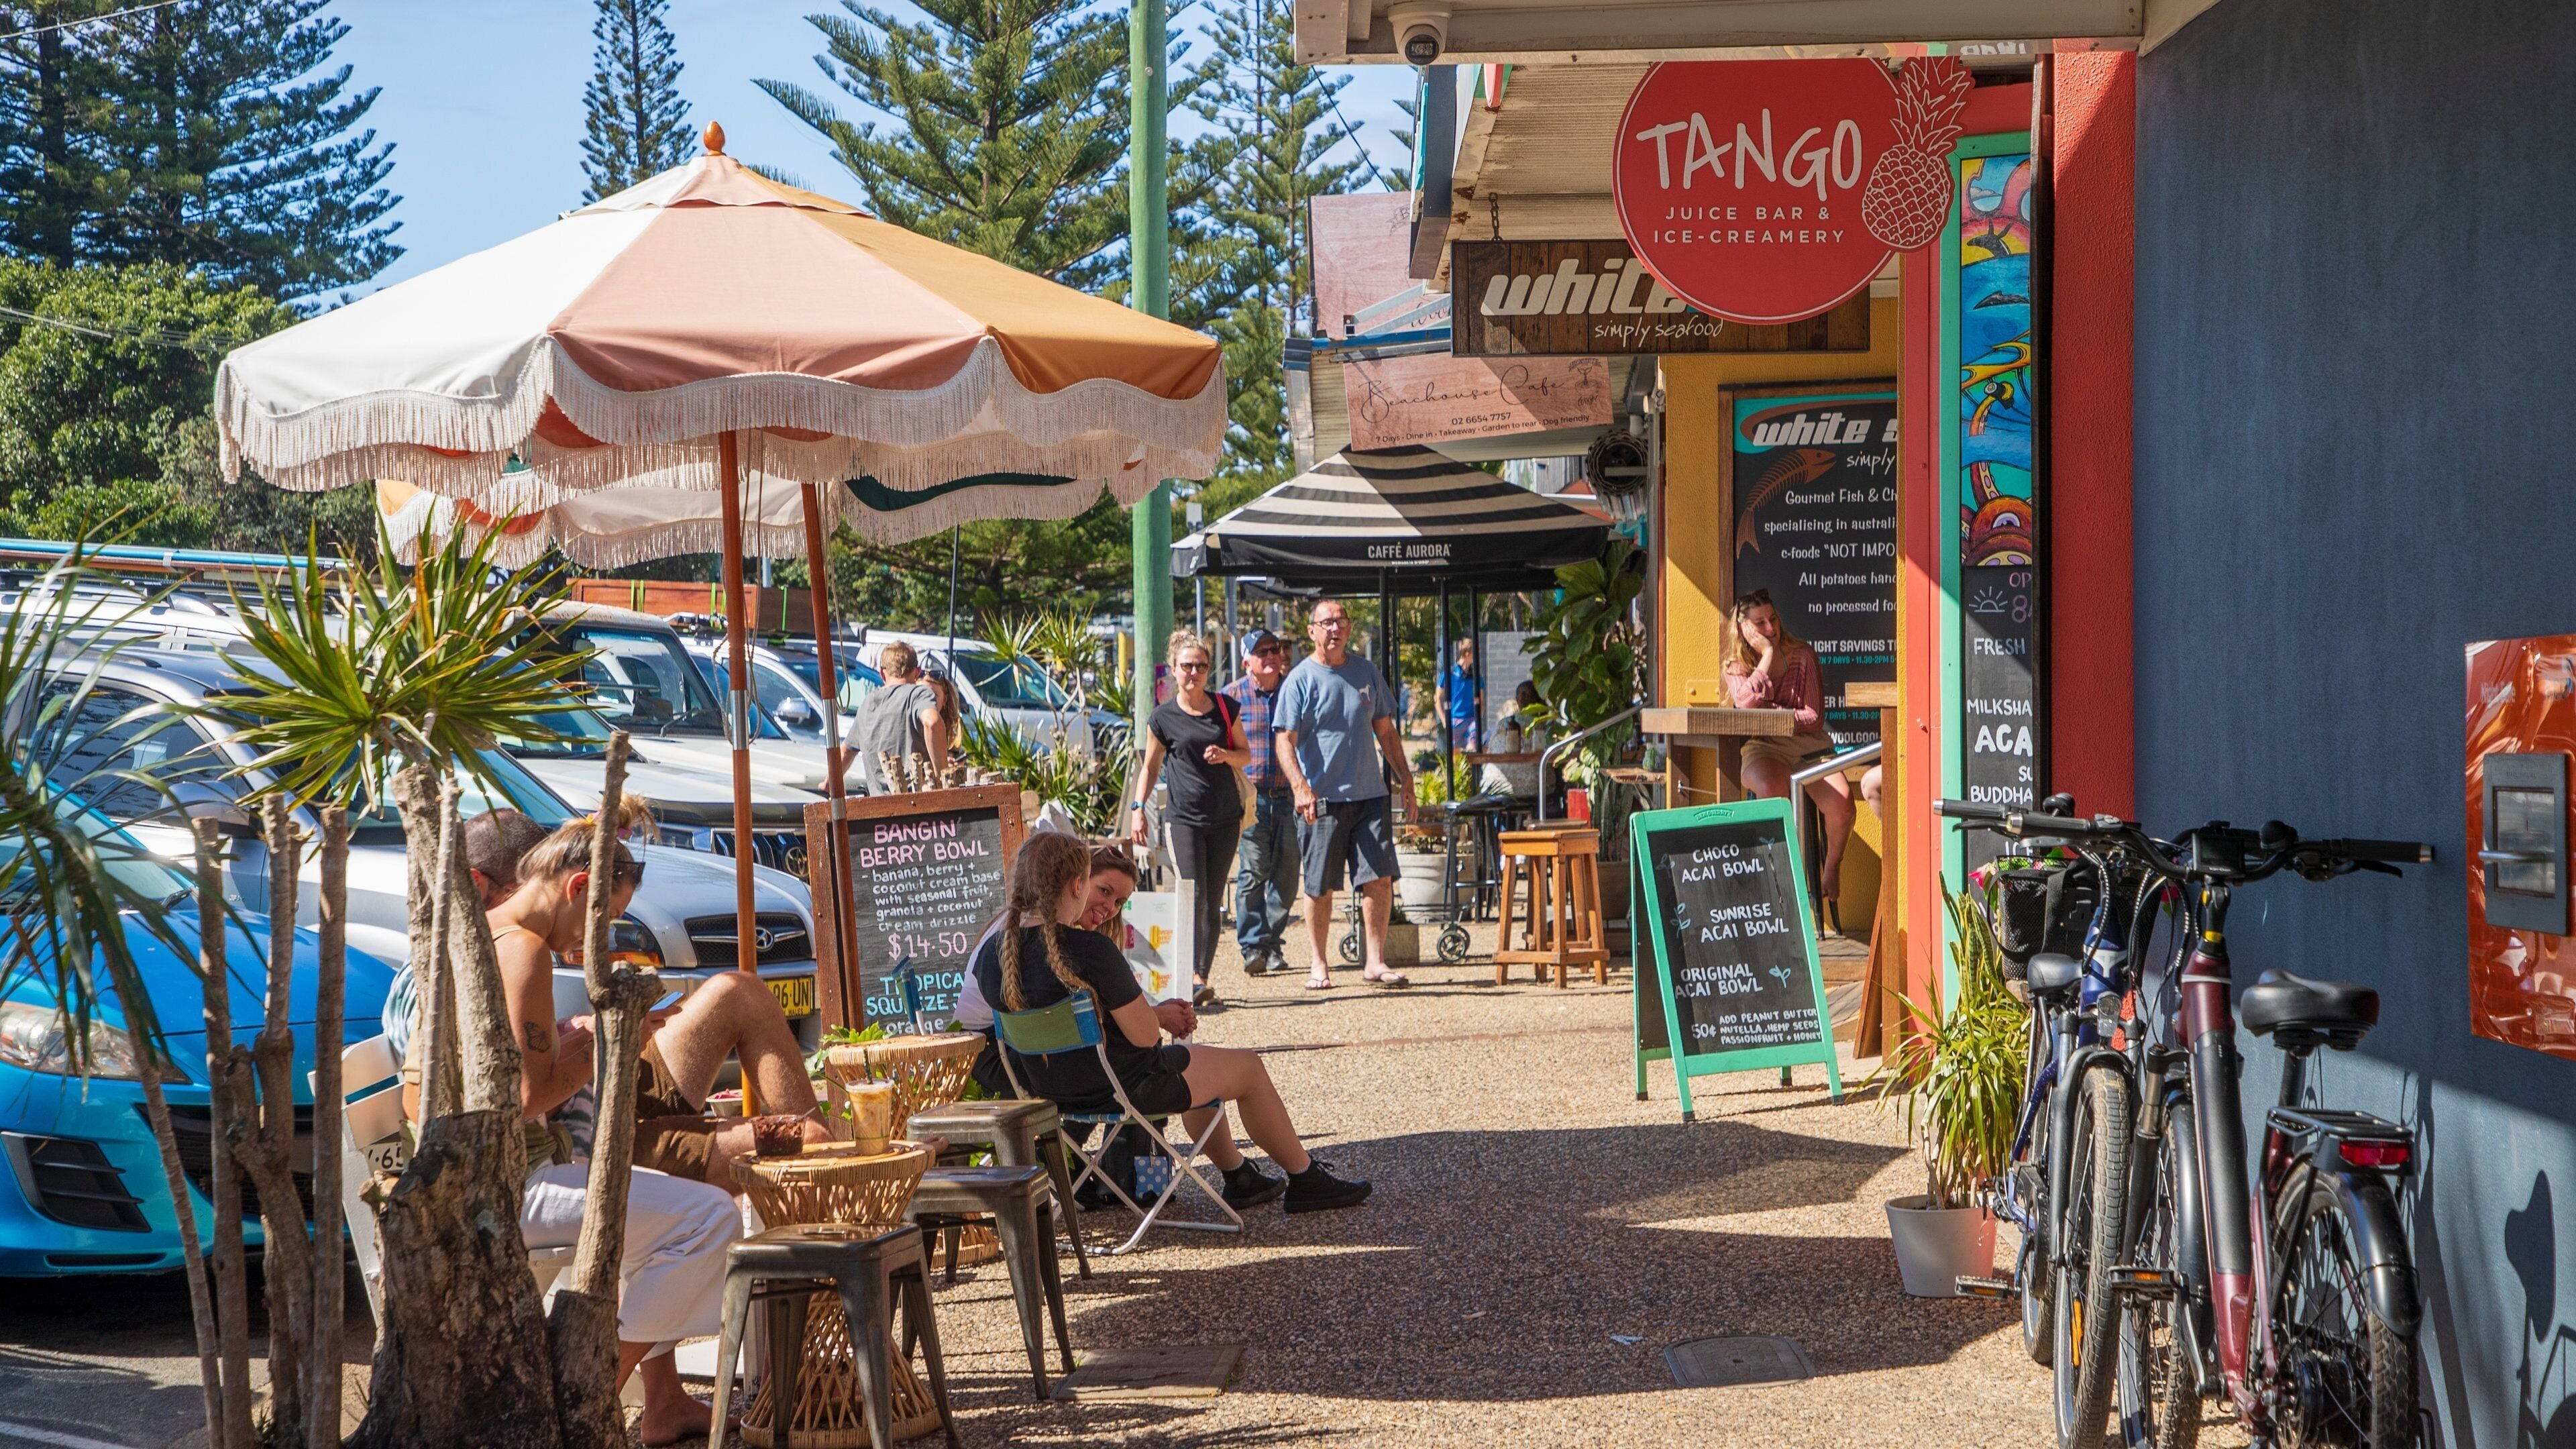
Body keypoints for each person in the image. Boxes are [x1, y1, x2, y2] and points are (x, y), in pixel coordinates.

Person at [440, 814, 741, 1447]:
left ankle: (642, 1397)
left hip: (475, 1177)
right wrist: (608, 1045)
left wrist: (578, 1043)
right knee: (710, 1217)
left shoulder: (480, 934)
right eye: (603, 921)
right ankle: (583, 1391)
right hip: (510, 1184)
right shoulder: (524, 948)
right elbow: (528, 1096)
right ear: (578, 887)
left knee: (667, 1219)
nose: (594, 941)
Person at [977, 832, 1371, 1214]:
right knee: (1247, 1067)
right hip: (1127, 1090)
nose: (1112, 906)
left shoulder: (994, 956)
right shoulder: (1092, 950)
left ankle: (1239, 1176)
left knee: (1202, 1066)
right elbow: (1146, 1037)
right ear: (1077, 884)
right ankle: (1305, 1178)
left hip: (1050, 1094)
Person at [1271, 598, 1415, 990]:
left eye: (1340, 622)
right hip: (1322, 801)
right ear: (1312, 631)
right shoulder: (1300, 679)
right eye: (1326, 623)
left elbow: (1386, 731)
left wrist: (1405, 778)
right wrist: (1300, 788)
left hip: (1370, 796)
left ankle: (1375, 961)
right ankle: (1319, 964)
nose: (1334, 629)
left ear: (1349, 629)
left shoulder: (1366, 672)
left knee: (1379, 880)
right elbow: (1284, 740)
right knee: (1320, 886)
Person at [1130, 629, 1248, 1007]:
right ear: (1174, 670)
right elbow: (1150, 768)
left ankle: (1201, 977)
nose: (1193, 673)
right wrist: (1138, 809)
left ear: (1209, 670)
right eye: (1186, 666)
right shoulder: (1163, 718)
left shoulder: (1226, 708)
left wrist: (1226, 756)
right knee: (1192, 895)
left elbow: (1245, 754)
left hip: (1225, 817)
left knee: (1212, 898)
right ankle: (1188, 975)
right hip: (1183, 819)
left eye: (1200, 666)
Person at [1722, 588, 1858, 899]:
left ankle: (1831, 867)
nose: (1770, 628)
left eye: (1773, 619)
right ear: (1743, 628)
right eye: (1760, 623)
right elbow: (1745, 704)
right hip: (1765, 749)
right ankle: (1778, 876)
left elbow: (1814, 717)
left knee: (1843, 806)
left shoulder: (1803, 655)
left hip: (1810, 749)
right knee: (1771, 788)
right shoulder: (1736, 665)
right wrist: (1768, 656)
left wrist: (1770, 713)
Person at [1221, 629, 1299, 977]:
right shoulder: (1230, 698)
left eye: (1274, 650)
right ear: (1246, 662)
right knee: (1253, 872)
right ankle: (1254, 945)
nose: (1271, 656)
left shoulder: (1294, 689)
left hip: (1291, 797)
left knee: (1287, 876)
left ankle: (1271, 944)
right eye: (1262, 652)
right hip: (1251, 799)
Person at [851, 640, 947, 793]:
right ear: (917, 672)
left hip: (878, 804)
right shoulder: (918, 694)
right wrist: (942, 778)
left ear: (882, 673)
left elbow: (846, 751)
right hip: (916, 801)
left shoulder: (868, 702)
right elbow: (933, 722)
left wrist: (828, 783)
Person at [1436, 637, 1483, 751]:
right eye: (1474, 654)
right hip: (1455, 720)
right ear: (1467, 654)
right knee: (1456, 755)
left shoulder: (1476, 676)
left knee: (1472, 750)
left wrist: (1478, 718)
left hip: (1471, 719)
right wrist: (1444, 720)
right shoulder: (1450, 674)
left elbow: (1481, 699)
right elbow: (1437, 698)